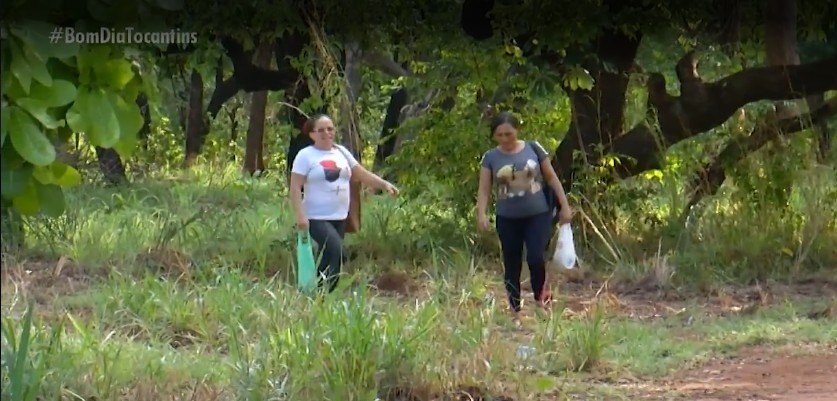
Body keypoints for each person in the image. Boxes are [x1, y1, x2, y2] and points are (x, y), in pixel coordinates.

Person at [289, 114, 399, 292]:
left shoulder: (341, 152)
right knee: (338, 251)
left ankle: (321, 295)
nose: (327, 133)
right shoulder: (305, 155)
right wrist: (300, 216)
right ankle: (319, 292)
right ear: (312, 134)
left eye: (330, 129)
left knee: (329, 257)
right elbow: (295, 187)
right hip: (316, 217)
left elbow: (360, 174)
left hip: (339, 216)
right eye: (321, 130)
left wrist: (384, 184)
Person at [476, 111, 572, 314]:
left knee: (536, 257)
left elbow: (552, 178)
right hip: (507, 218)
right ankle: (514, 308)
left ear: (517, 130)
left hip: (537, 214)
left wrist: (565, 206)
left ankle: (541, 301)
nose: (504, 139)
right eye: (499, 135)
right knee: (511, 262)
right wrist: (482, 214)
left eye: (508, 134)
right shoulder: (490, 158)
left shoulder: (533, 149)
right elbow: (484, 189)